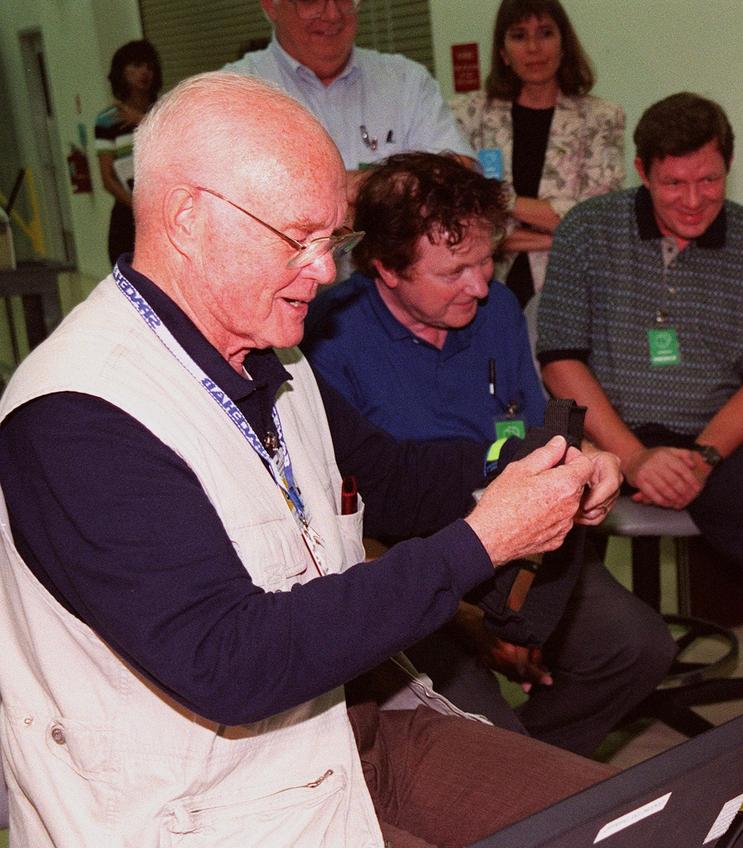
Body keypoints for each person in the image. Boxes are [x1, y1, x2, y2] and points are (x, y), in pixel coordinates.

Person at [0, 71, 623, 848]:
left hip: (339, 730)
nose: (327, 270)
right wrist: (483, 541)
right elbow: (230, 663)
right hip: (201, 805)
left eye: (335, 239)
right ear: (189, 218)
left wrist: (548, 466)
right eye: (299, 238)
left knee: (633, 822)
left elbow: (393, 478)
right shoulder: (79, 415)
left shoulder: (274, 357)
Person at [302, 151, 674, 756]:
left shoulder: (496, 309)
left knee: (635, 648)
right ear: (387, 270)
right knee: (483, 730)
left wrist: (590, 465)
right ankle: (519, 773)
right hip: (405, 560)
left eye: (485, 262)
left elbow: (534, 435)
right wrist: (477, 625)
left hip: (520, 538)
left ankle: (540, 773)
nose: (479, 285)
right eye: (453, 272)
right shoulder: (329, 338)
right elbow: (368, 516)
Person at [537, 92, 743, 794]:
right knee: (548, 532)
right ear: (641, 171)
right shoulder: (588, 230)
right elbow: (559, 356)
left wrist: (704, 456)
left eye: (709, 180)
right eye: (674, 182)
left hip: (717, 431)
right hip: (604, 422)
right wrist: (634, 457)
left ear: (728, 169)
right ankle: (561, 718)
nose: (693, 199)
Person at [451, 0, 624, 309]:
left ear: (563, 44)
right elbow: (461, 219)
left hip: (574, 289)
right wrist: (557, 237)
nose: (533, 47)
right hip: (486, 292)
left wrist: (505, 202)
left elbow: (597, 223)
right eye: (519, 36)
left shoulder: (601, 118)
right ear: (503, 52)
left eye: (545, 33)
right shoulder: (468, 116)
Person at [227, 0, 473, 191]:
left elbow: (456, 171)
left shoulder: (406, 80)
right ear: (271, 6)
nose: (333, 14)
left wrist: (351, 185)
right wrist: (386, 185)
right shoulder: (233, 93)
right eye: (311, 1)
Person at [95, 39, 162, 263]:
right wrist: (137, 207)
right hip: (127, 212)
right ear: (121, 72)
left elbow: (178, 143)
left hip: (163, 204)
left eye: (149, 67)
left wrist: (142, 120)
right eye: (136, 65)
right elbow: (107, 178)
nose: (144, 72)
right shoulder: (107, 120)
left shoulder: (163, 111)